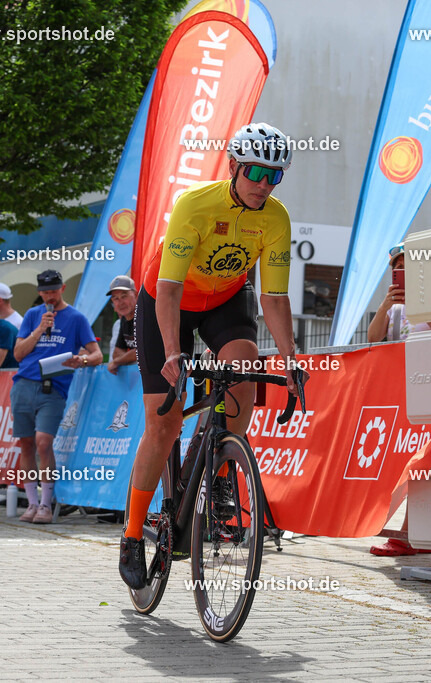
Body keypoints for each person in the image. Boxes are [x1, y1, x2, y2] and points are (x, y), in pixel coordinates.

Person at [119, 122, 302, 589]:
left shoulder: (275, 218)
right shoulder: (195, 206)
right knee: (163, 422)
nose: (264, 183)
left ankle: (220, 471)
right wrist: (175, 354)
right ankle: (132, 533)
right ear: (236, 166)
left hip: (223, 301)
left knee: (247, 369)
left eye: (274, 175)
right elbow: (170, 287)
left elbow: (275, 298)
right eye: (257, 171)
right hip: (168, 301)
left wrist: (292, 359)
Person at [368, 243, 431, 557]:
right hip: (399, 392)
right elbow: (373, 338)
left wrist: (424, 305)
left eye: (408, 267)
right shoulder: (393, 307)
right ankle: (411, 535)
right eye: (398, 267)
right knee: (405, 462)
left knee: (423, 461)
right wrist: (384, 307)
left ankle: (408, 535)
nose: (401, 273)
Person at [11, 270, 100, 523]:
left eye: (54, 291)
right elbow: (18, 354)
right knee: (26, 443)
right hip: (24, 384)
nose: (50, 296)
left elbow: (97, 355)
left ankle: (46, 504)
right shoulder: (32, 316)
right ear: (40, 292)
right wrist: (39, 330)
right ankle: (31, 503)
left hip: (54, 388)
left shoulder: (76, 318)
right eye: (45, 292)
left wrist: (81, 359)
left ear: (62, 289)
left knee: (43, 441)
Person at [367, 243, 431, 343]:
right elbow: (373, 338)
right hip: (399, 358)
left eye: (410, 265)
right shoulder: (394, 305)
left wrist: (419, 309)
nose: (405, 270)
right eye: (400, 266)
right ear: (394, 271)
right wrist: (383, 307)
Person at [106, 275, 137, 375]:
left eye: (124, 296)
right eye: (116, 298)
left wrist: (117, 362)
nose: (120, 302)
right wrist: (130, 358)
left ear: (136, 295)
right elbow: (116, 353)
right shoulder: (124, 319)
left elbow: (142, 352)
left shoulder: (145, 316)